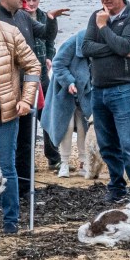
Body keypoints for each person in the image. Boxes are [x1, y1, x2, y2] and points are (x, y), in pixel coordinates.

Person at [0, 0, 43, 236]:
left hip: (4, 115)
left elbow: (33, 65)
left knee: (5, 167)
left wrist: (26, 99)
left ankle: (11, 220)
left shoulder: (9, 33)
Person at [82, 0, 130, 203]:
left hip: (124, 88)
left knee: (129, 142)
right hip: (98, 88)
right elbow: (86, 47)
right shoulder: (96, 15)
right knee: (107, 142)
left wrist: (104, 28)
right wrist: (115, 48)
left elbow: (125, 45)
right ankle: (117, 186)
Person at [0, 0, 44, 216]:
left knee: (26, 140)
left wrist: (52, 21)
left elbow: (35, 56)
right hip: (4, 92)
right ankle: (2, 192)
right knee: (5, 148)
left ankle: (24, 187)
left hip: (26, 88)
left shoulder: (23, 16)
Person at [24, 0, 69, 170]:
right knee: (27, 120)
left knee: (49, 116)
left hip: (43, 73)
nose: (31, 3)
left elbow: (50, 42)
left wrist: (50, 57)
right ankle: (27, 161)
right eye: (27, 0)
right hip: (25, 77)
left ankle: (53, 157)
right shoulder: (18, 18)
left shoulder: (44, 16)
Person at [46, 26, 97, 177]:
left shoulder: (98, 45)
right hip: (65, 92)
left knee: (84, 127)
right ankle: (64, 164)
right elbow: (58, 64)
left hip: (86, 94)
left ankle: (83, 163)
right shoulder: (72, 43)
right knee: (65, 127)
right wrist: (69, 82)